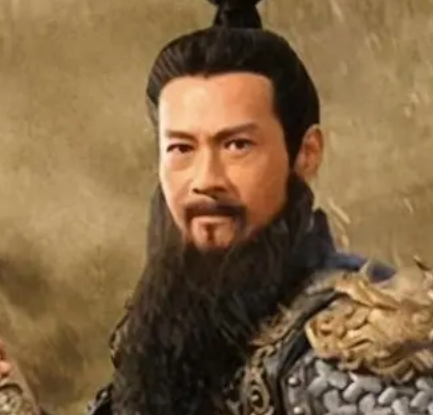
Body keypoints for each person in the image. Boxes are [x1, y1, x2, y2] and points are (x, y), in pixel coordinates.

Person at [2, 0, 433, 414]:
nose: (206, 179)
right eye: (181, 148)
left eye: (237, 145)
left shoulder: (353, 345)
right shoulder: (173, 320)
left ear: (306, 153)